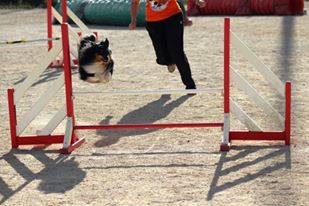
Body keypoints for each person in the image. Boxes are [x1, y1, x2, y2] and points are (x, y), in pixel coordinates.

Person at [129, 0, 205, 91]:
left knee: (177, 52)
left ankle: (190, 85)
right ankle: (170, 61)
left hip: (173, 17)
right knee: (161, 57)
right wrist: (133, 20)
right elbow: (134, 2)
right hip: (153, 22)